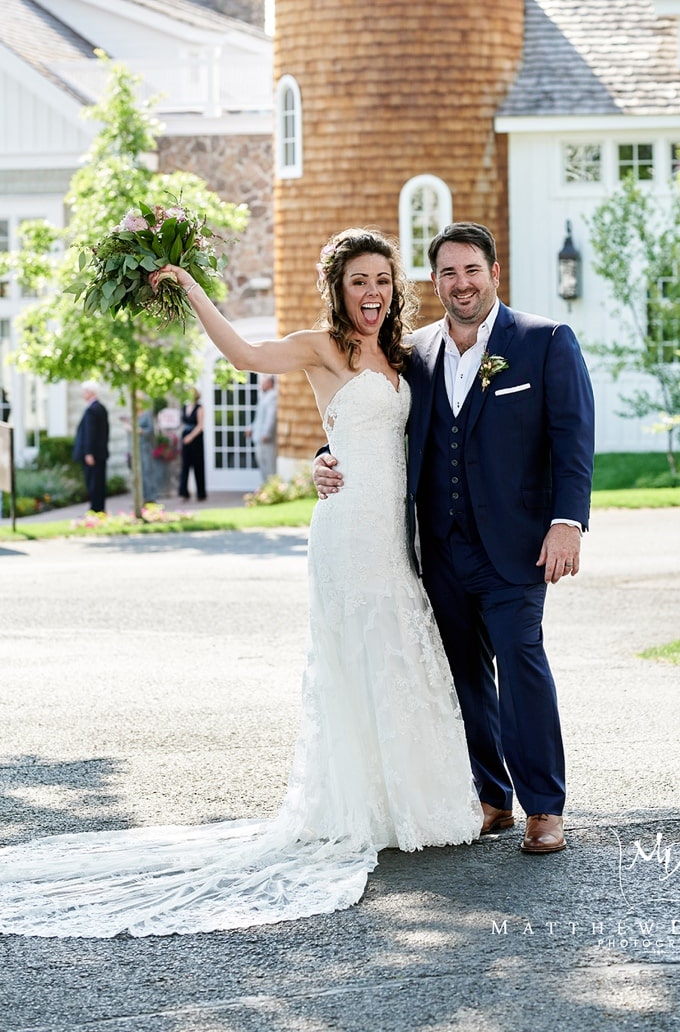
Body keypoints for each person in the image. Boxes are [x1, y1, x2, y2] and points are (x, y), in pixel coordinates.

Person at [0, 229, 480, 937]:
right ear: (339, 290)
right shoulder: (322, 347)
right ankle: (362, 810)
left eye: (382, 280)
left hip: (395, 531)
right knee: (361, 659)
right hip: (347, 531)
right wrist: (192, 285)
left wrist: (328, 451)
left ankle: (414, 802)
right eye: (358, 282)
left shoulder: (409, 355)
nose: (372, 293)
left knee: (403, 654)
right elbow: (246, 355)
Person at [314, 222, 594, 856]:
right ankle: (492, 797)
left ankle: (544, 807)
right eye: (447, 272)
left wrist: (567, 522)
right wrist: (324, 458)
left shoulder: (544, 341)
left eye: (472, 270)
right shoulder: (415, 352)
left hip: (519, 544)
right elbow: (370, 422)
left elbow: (573, 439)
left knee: (522, 665)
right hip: (436, 546)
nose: (461, 283)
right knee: (462, 674)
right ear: (434, 280)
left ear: (494, 273)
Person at [70, 382, 108, 514]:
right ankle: (99, 509)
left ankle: (96, 509)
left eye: (84, 391)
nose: (82, 394)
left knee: (94, 483)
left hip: (93, 455)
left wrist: (88, 453)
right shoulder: (100, 408)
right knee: (98, 482)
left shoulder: (92, 410)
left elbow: (90, 434)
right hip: (100, 454)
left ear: (91, 392)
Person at [176, 385, 206, 501]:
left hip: (196, 438)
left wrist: (191, 436)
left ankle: (201, 494)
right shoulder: (185, 407)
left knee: (198, 465)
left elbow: (200, 425)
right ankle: (184, 493)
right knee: (185, 465)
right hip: (185, 437)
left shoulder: (199, 407)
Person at [253, 373, 279, 484]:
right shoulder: (264, 396)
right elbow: (259, 417)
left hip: (266, 438)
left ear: (269, 383)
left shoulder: (272, 397)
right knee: (262, 463)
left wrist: (266, 433)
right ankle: (265, 488)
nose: (260, 385)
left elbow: (271, 417)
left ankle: (271, 488)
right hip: (258, 436)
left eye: (262, 382)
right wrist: (251, 428)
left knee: (269, 465)